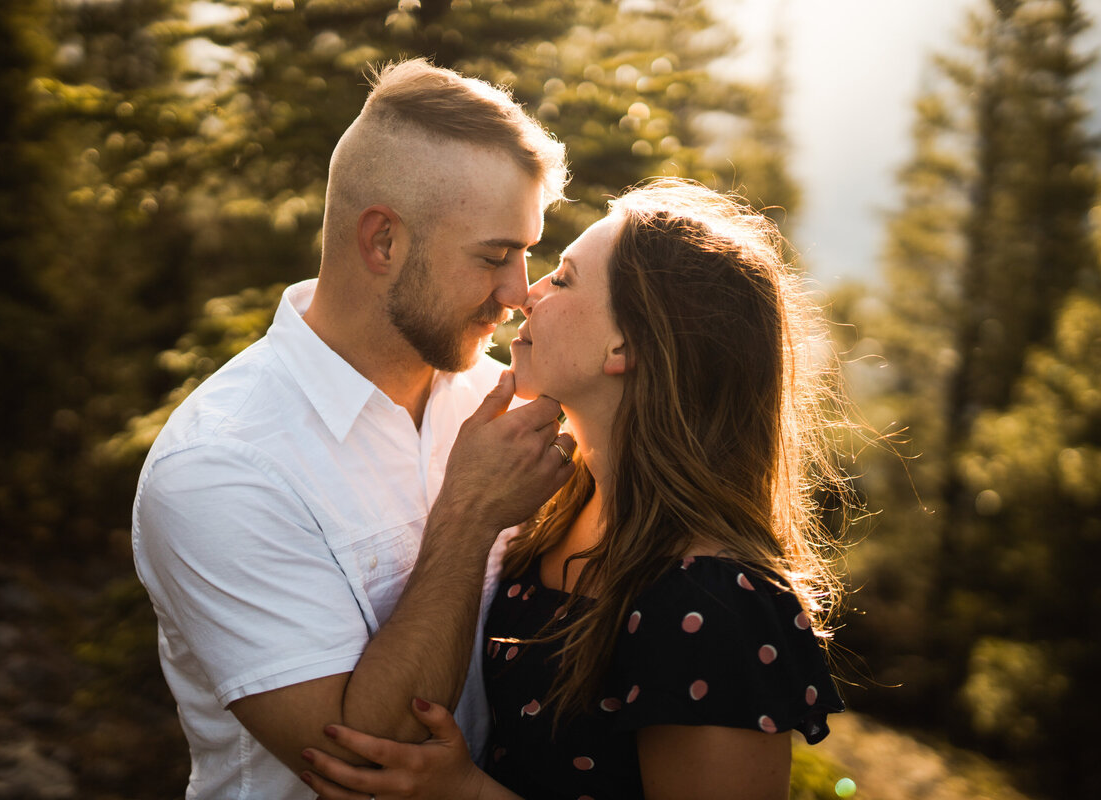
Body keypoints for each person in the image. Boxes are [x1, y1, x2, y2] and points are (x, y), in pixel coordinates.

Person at [299, 178, 851, 800]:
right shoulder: (554, 511)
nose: (526, 295)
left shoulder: (714, 603)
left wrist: (463, 793)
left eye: (561, 279)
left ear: (626, 345)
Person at [131, 59, 575, 799]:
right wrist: (466, 520)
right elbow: (366, 766)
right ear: (382, 243)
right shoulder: (220, 466)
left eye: (527, 253)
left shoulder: (491, 401)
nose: (517, 292)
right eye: (495, 256)